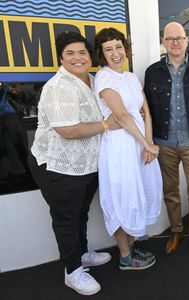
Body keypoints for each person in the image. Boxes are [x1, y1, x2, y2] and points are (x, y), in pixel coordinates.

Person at [28, 31, 119, 296]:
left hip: (86, 165)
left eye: (82, 52)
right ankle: (72, 271)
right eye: (70, 53)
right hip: (58, 166)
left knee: (80, 214)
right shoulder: (59, 86)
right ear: (61, 58)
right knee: (66, 219)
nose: (78, 58)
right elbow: (67, 130)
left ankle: (81, 254)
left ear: (90, 56)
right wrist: (105, 125)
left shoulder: (92, 80)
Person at [94, 28, 163, 270]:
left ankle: (131, 248)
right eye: (108, 49)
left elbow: (145, 112)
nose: (115, 53)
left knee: (138, 196)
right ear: (101, 54)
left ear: (125, 48)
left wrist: (148, 144)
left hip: (138, 145)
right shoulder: (103, 78)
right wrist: (147, 144)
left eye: (118, 46)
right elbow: (122, 116)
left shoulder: (131, 77)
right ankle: (125, 256)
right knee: (122, 198)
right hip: (120, 149)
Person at [144, 22, 189, 257]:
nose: (175, 42)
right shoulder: (153, 72)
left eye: (179, 38)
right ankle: (176, 231)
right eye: (170, 38)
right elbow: (148, 110)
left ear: (186, 41)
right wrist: (149, 140)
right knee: (170, 190)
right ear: (163, 42)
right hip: (164, 142)